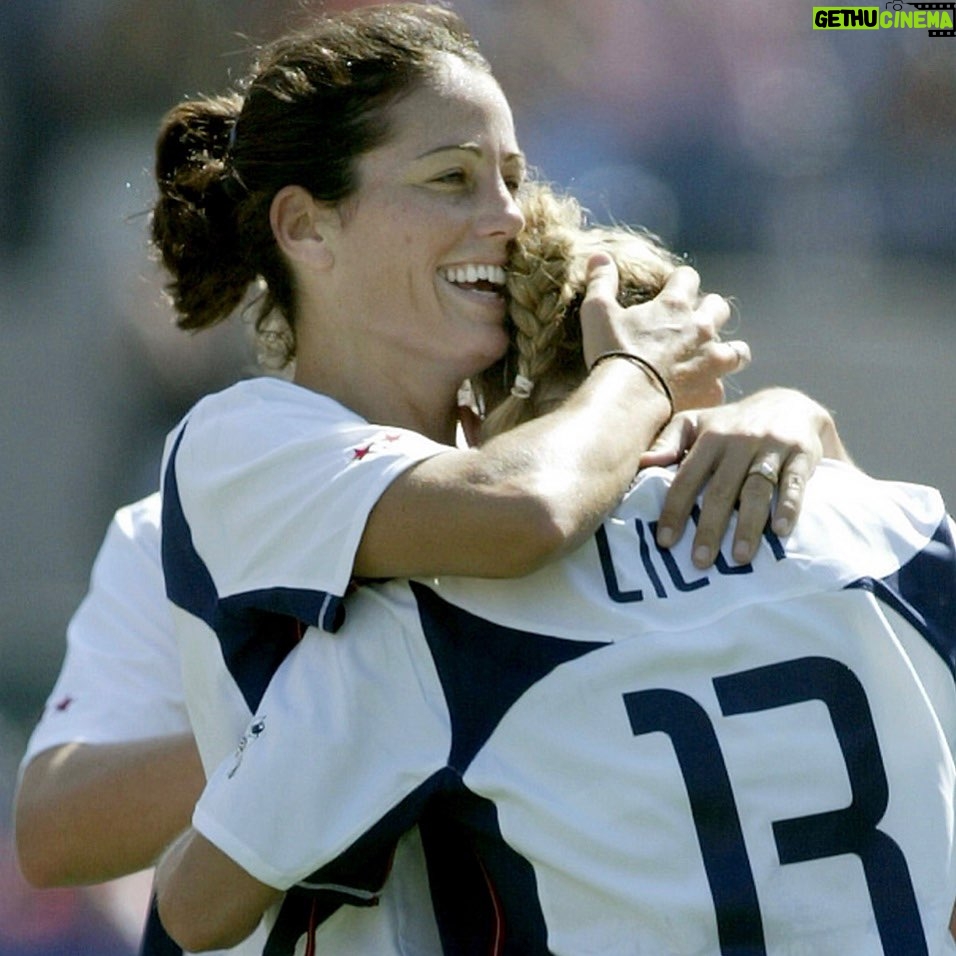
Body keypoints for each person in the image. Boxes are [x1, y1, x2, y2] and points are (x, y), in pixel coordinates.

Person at [16, 3, 844, 954]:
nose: (503, 217)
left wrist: (789, 420)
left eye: (512, 178)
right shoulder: (226, 463)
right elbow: (55, 830)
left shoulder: (583, 471)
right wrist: (283, 721)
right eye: (450, 178)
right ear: (307, 228)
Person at [154, 182, 956, 955]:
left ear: (486, 414)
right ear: (705, 364)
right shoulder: (910, 533)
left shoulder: (434, 621)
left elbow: (197, 910)